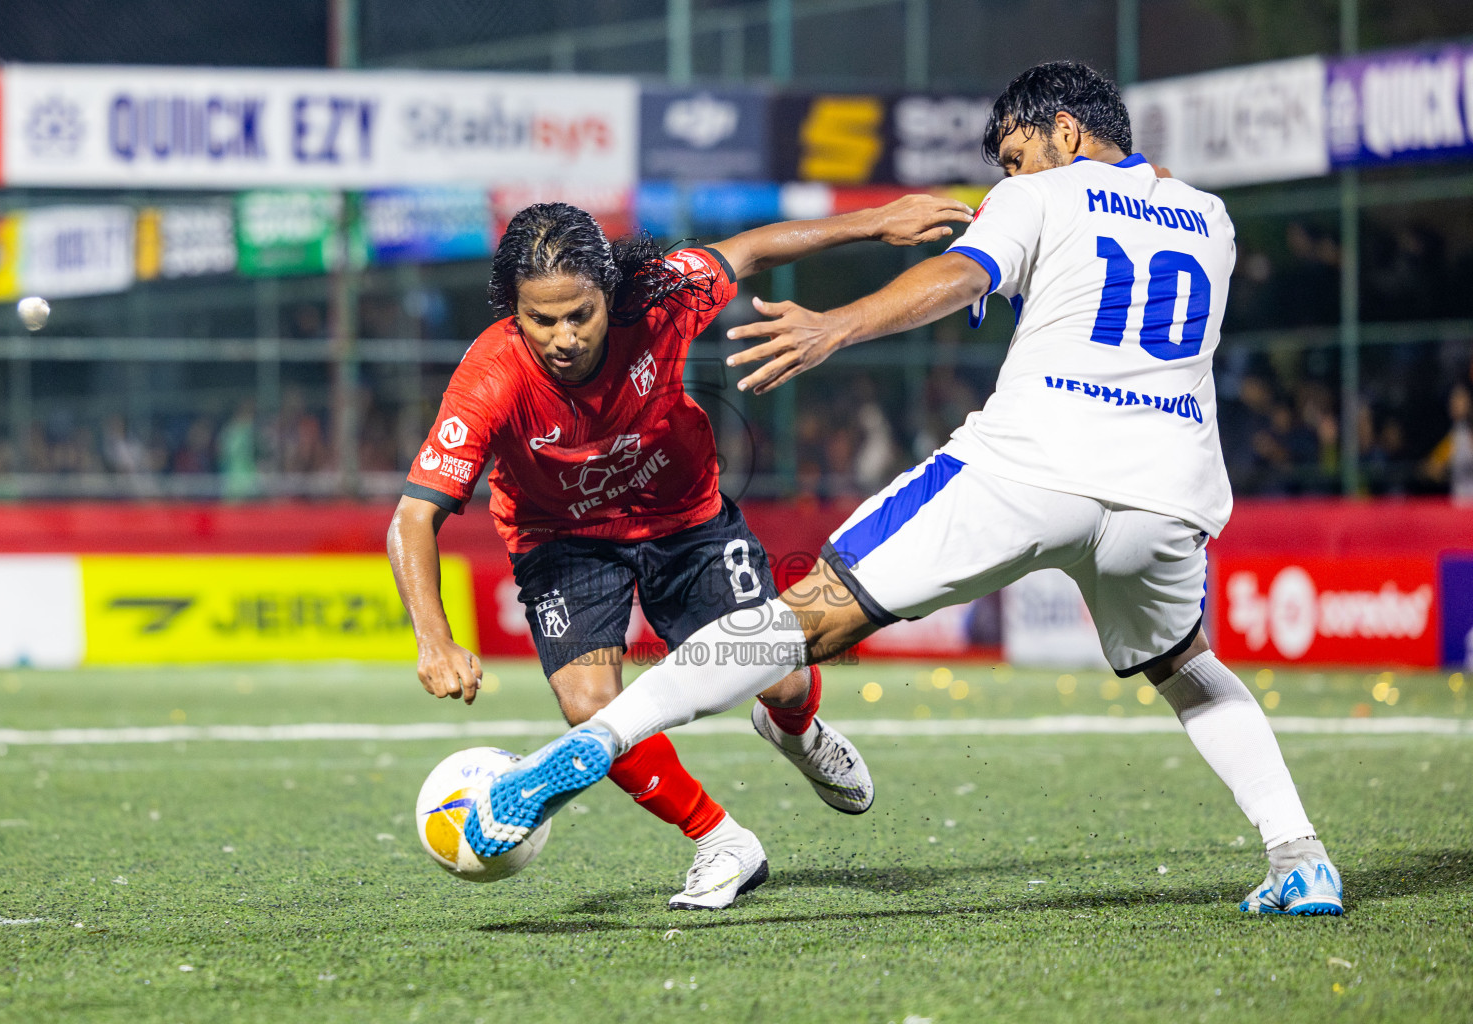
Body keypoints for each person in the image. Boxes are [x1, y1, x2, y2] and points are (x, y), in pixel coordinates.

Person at [467, 61, 1344, 918]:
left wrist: (838, 325)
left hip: (1032, 466)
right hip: (1168, 494)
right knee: (1187, 666)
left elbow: (964, 274)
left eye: (1013, 156)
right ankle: (1300, 857)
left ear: (1063, 134)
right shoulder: (1211, 219)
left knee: (801, 619)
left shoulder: (1039, 195)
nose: (1006, 177)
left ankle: (584, 749)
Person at [387, 196, 973, 909]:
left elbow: (753, 249)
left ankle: (796, 729)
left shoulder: (665, 295)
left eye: (580, 314)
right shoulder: (490, 376)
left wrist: (873, 223)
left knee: (783, 679)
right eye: (541, 319)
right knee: (587, 704)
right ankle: (721, 840)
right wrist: (435, 639)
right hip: (561, 540)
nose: (563, 337)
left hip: (685, 518)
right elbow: (414, 516)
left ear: (610, 292)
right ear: (514, 309)